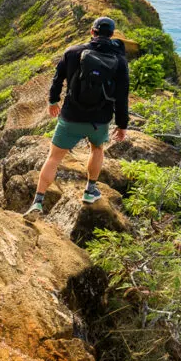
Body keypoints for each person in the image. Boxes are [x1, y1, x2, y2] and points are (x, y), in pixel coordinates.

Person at [25, 16, 129, 221]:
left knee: (53, 158)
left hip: (71, 116)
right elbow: (122, 95)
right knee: (97, 149)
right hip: (99, 120)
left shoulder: (72, 52)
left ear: (92, 32)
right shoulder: (119, 61)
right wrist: (122, 124)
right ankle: (90, 190)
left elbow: (57, 79)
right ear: (112, 35)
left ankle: (37, 201)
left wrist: (53, 101)